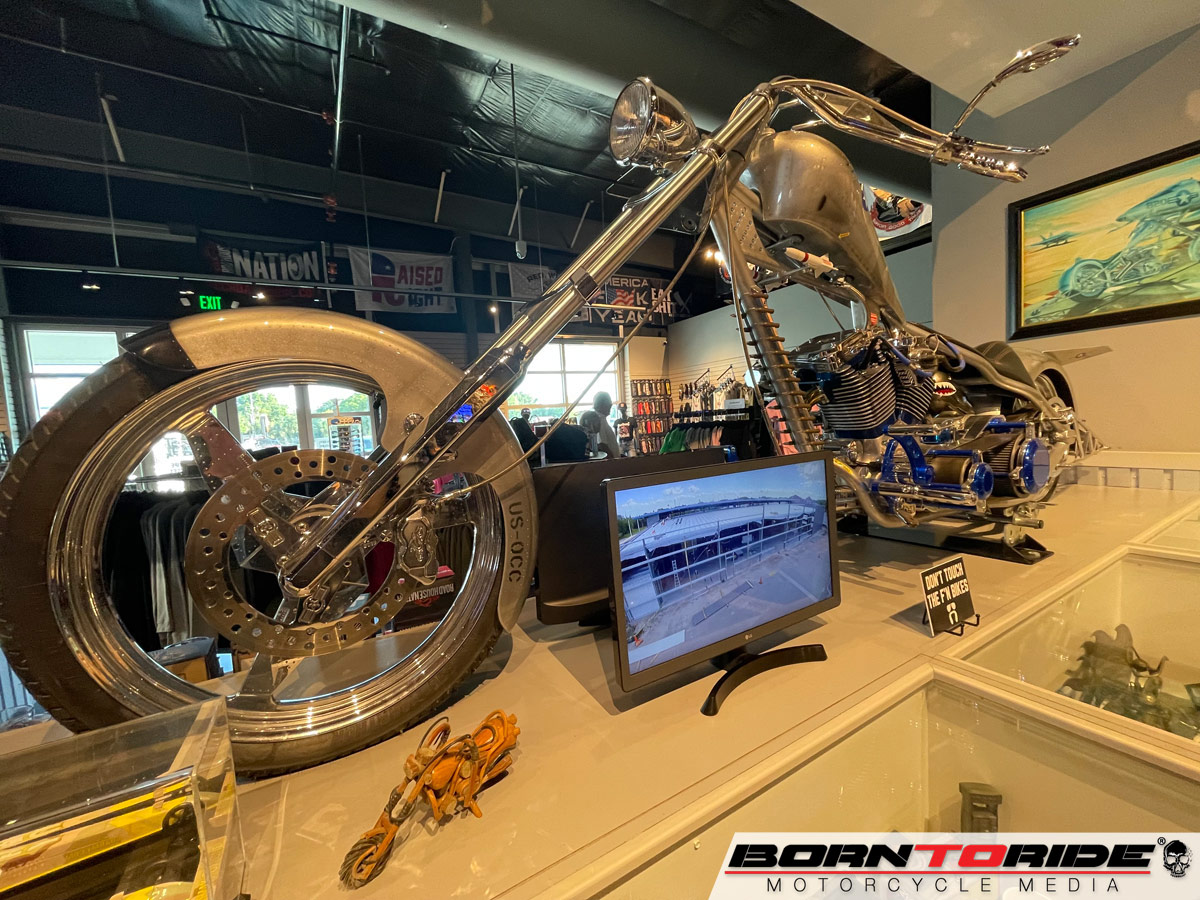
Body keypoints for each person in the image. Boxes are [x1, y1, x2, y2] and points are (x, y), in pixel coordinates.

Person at [579, 391, 620, 459]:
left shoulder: (602, 419)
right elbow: (602, 444)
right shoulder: (598, 420)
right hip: (610, 462)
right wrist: (613, 460)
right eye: (609, 404)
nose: (610, 406)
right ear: (601, 405)